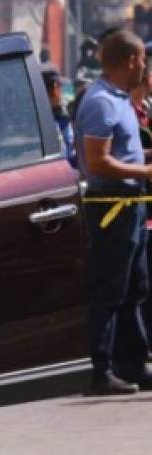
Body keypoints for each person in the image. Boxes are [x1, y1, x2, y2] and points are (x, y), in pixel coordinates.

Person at [75, 29, 152, 395]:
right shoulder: (101, 102)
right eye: (142, 61)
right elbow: (98, 162)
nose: (145, 68)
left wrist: (144, 163)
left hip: (132, 206)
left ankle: (133, 364)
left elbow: (124, 154)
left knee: (136, 287)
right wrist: (145, 172)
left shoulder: (121, 99)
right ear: (131, 61)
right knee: (110, 290)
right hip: (111, 209)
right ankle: (101, 370)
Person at [42, 63, 77, 168]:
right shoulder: (44, 121)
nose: (61, 92)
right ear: (54, 88)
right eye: (59, 87)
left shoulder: (61, 115)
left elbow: (71, 149)